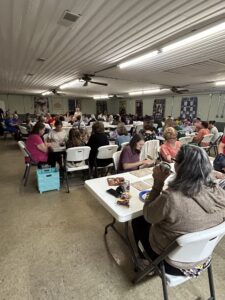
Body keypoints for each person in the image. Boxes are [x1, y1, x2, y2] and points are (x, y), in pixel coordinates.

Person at [132, 144, 225, 276]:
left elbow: (148, 215)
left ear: (179, 166)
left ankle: (144, 262)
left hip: (172, 263)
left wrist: (158, 183)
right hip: (202, 259)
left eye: (175, 161)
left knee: (138, 220)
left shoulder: (171, 197)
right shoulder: (219, 193)